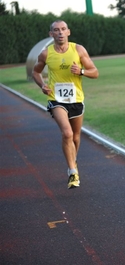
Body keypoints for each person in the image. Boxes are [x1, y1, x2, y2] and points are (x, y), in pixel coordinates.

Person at [32, 20, 99, 189]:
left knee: (76, 137)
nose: (60, 32)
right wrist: (42, 85)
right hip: (56, 99)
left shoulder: (78, 50)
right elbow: (36, 71)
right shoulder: (46, 54)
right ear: (51, 34)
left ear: (68, 32)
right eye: (56, 30)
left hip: (76, 99)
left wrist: (81, 71)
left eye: (63, 29)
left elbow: (95, 72)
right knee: (67, 134)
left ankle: (72, 163)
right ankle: (72, 171)